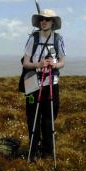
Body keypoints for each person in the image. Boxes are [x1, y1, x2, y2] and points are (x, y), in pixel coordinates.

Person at [22, 9, 66, 161]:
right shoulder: (33, 38)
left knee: (49, 118)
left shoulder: (58, 39)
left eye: (47, 19)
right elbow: (25, 63)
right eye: (42, 19)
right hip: (32, 82)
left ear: (53, 22)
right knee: (32, 117)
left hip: (51, 82)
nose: (44, 22)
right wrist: (39, 64)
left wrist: (54, 65)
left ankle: (47, 151)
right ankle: (33, 150)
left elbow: (62, 62)